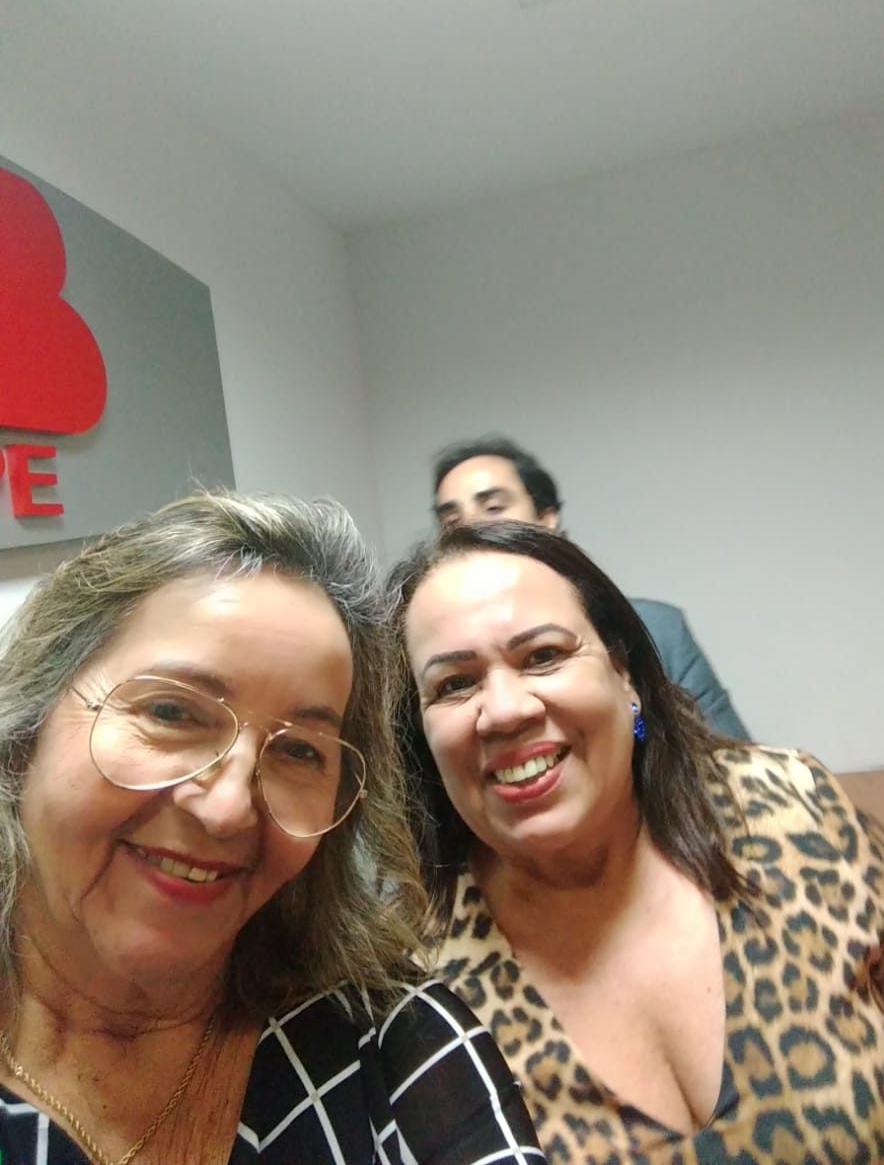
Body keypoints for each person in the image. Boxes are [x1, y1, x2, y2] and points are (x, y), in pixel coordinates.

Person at [0, 491, 544, 1165]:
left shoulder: (392, 1049)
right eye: (172, 712)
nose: (227, 808)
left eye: (299, 752)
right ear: (25, 729)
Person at [391, 519, 884, 1164]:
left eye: (543, 656)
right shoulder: (415, 990)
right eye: (454, 684)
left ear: (624, 673)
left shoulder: (787, 809)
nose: (505, 709)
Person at [431, 435, 750, 739]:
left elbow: (730, 761)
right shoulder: (432, 658)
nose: (470, 527)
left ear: (546, 518)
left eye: (493, 508)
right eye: (451, 521)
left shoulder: (657, 630)